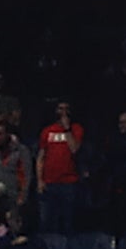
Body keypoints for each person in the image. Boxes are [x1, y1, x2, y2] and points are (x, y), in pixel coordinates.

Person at [36, 100, 84, 235]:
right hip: (49, 182)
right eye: (60, 108)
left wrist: (67, 128)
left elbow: (74, 149)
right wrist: (40, 180)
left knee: (68, 223)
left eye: (66, 108)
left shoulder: (77, 129)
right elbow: (41, 156)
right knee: (48, 223)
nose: (63, 112)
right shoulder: (47, 131)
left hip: (69, 183)